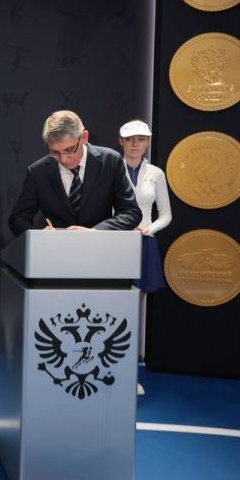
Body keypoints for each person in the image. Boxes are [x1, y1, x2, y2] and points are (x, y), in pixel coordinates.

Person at [9, 110, 141, 235]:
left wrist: (95, 232)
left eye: (69, 150)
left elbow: (131, 212)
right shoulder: (37, 172)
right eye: (55, 152)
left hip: (100, 247)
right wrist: (39, 237)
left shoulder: (110, 162)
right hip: (55, 249)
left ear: (84, 137)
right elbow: (18, 218)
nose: (63, 159)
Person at [118, 120, 172, 396]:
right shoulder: (110, 169)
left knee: (133, 314)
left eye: (141, 139)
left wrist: (148, 229)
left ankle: (130, 376)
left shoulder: (156, 173)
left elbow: (166, 214)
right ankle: (109, 371)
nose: (135, 144)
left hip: (144, 244)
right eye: (130, 139)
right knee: (112, 310)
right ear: (121, 141)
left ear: (148, 142)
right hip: (114, 245)